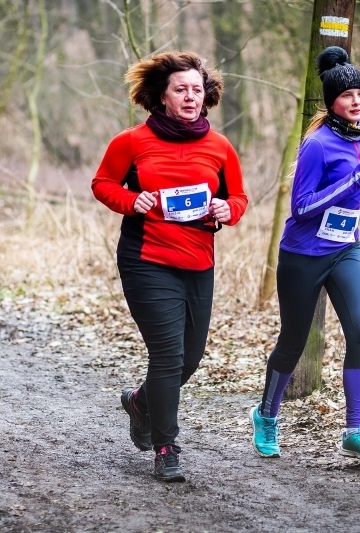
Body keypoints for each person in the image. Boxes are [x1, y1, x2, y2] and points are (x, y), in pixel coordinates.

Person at [92, 51, 248, 482]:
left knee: (191, 357)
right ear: (162, 96)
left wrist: (225, 209)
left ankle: (142, 402)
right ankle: (166, 447)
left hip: (198, 261)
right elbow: (102, 183)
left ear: (207, 96)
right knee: (167, 354)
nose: (190, 96)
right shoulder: (132, 142)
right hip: (147, 260)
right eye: (181, 89)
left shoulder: (220, 147)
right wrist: (130, 200)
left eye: (197, 89)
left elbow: (239, 199)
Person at [249, 46, 360, 461]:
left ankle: (355, 428)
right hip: (304, 253)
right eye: (347, 96)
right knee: (294, 340)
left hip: (345, 250)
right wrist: (355, 184)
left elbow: (358, 187)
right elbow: (302, 206)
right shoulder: (316, 145)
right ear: (332, 102)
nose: (356, 101)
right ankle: (267, 415)